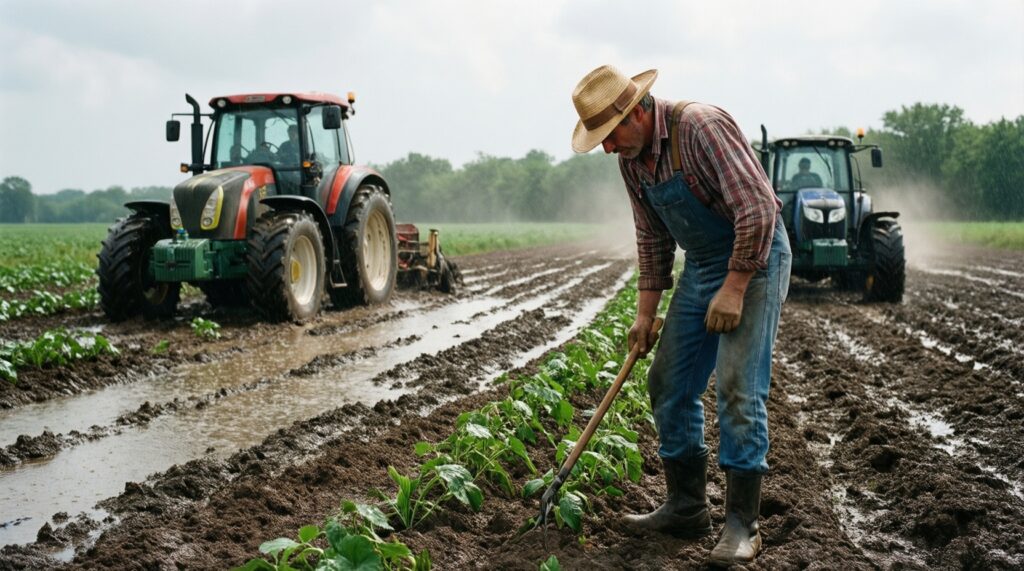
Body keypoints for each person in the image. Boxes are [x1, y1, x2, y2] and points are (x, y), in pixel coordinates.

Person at [570, 65, 791, 566]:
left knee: (736, 386)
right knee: (668, 381)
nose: (607, 148)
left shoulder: (700, 127)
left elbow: (758, 209)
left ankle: (742, 526)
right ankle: (688, 507)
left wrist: (735, 287)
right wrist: (644, 316)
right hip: (705, 264)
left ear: (637, 112)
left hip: (755, 258)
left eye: (611, 134)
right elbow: (652, 241)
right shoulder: (632, 162)